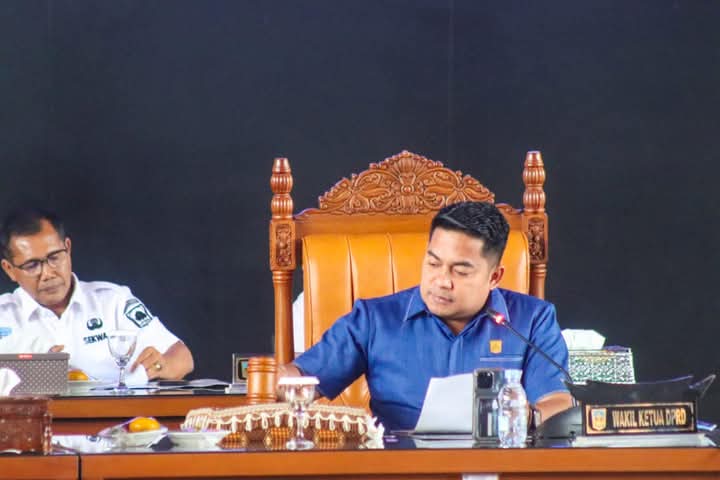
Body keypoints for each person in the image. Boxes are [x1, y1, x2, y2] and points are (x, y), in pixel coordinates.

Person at [279, 201, 573, 431]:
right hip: (400, 469)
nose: (441, 281)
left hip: (496, 469)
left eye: (460, 271)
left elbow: (558, 403)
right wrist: (272, 379)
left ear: (494, 277)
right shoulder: (374, 319)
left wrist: (516, 416)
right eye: (433, 264)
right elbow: (301, 379)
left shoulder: (532, 321)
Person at [0, 208, 193, 382]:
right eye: (32, 265)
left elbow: (182, 356)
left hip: (117, 410)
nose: (48, 273)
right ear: (9, 269)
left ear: (68, 248)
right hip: (34, 411)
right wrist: (29, 375)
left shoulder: (112, 302)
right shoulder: (4, 315)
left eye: (54, 257)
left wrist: (160, 366)